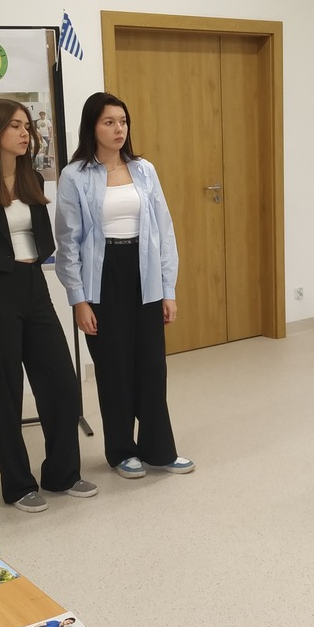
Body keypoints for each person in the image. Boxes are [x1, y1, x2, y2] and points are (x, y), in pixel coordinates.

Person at [0, 99, 95, 513]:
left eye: (27, 126)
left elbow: (41, 237)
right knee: (6, 393)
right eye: (15, 126)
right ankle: (17, 485)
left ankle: (62, 474)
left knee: (61, 384)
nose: (24, 133)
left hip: (34, 286)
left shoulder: (32, 179)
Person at [55, 92, 193, 479]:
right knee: (114, 368)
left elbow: (164, 231)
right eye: (109, 122)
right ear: (92, 127)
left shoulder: (144, 170)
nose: (119, 129)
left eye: (123, 121)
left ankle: (159, 450)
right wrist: (79, 300)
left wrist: (168, 290)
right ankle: (120, 451)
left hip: (144, 273)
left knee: (152, 367)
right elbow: (67, 242)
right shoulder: (75, 176)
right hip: (102, 279)